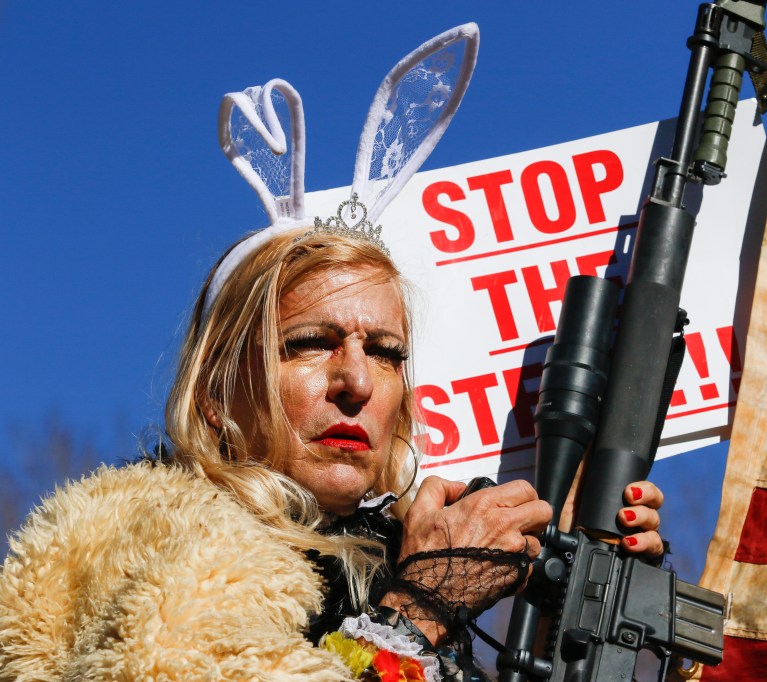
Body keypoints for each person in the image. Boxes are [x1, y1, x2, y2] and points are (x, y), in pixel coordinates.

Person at [0, 26, 667, 682]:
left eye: (385, 352)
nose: (355, 380)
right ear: (216, 391)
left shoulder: (398, 558)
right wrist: (420, 611)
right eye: (310, 344)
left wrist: (579, 604)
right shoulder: (159, 545)